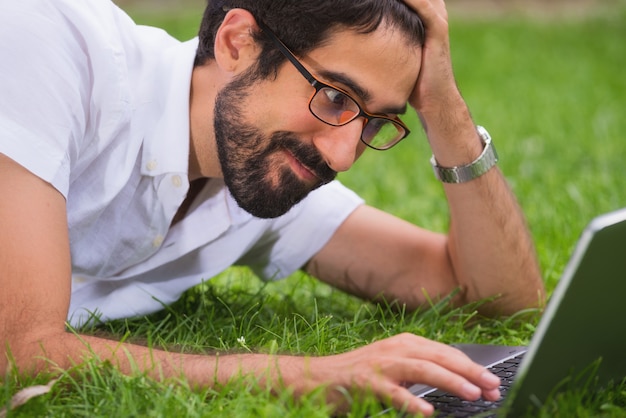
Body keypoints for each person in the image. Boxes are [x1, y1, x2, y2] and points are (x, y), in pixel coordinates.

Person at [0, 0, 545, 415]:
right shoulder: (49, 43)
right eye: (335, 97)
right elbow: (18, 349)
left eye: (374, 122)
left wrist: (444, 104)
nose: (344, 154)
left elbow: (497, 298)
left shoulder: (260, 177)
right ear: (238, 43)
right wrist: (301, 373)